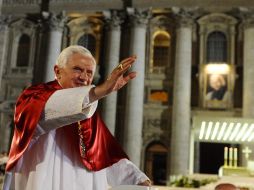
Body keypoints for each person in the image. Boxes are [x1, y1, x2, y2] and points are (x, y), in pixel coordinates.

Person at [2, 45, 150, 190]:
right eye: (77, 69)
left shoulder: (87, 107)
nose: (84, 77)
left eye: (89, 73)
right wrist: (99, 91)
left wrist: (137, 179)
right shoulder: (34, 95)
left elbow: (105, 153)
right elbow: (44, 115)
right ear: (57, 71)